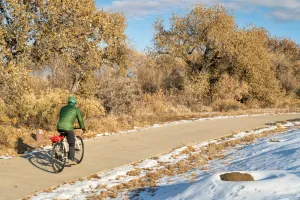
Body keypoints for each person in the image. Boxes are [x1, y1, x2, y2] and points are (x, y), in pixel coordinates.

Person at [57, 96, 85, 165]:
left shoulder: (63, 108)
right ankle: (70, 159)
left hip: (59, 126)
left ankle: (58, 150)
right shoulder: (76, 109)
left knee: (62, 137)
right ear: (75, 103)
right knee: (71, 143)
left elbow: (62, 117)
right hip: (68, 128)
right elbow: (80, 120)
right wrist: (83, 127)